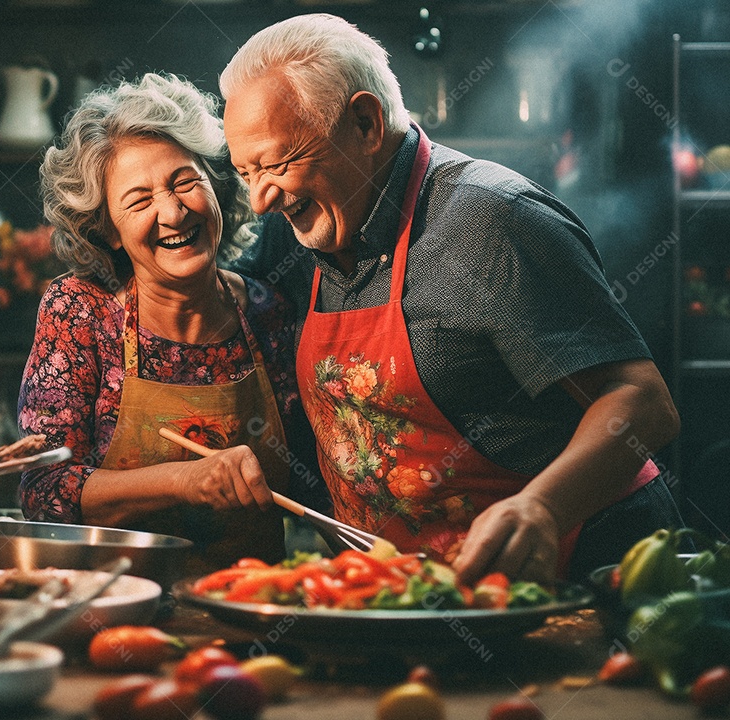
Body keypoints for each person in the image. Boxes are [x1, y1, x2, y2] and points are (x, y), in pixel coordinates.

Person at [219, 13, 683, 584]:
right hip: (408, 593)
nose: (262, 199)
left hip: (570, 575)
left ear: (365, 124)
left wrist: (544, 507)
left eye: (276, 163)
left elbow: (641, 400)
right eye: (245, 172)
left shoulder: (493, 220)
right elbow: (221, 290)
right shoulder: (301, 223)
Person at [17, 72, 324, 572]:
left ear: (218, 188)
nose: (174, 212)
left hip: (252, 608)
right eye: (139, 201)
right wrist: (182, 480)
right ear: (109, 231)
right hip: (117, 612)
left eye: (186, 182)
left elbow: (311, 475)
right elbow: (43, 492)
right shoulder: (80, 311)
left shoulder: (269, 313)